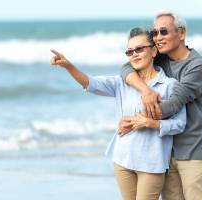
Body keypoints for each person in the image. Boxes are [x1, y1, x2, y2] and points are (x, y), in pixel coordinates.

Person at [50, 27, 186, 200]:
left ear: (153, 51)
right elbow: (91, 83)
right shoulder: (122, 82)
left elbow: (180, 124)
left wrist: (150, 123)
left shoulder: (169, 85)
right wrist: (68, 66)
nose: (134, 55)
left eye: (139, 49)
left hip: (151, 163)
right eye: (129, 52)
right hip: (123, 159)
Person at [120, 12, 202, 200]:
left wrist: (135, 120)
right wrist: (146, 91)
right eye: (155, 33)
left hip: (194, 152)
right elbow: (126, 68)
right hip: (165, 153)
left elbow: (173, 105)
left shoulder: (197, 66)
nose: (158, 38)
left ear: (181, 33)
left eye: (163, 31)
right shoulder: (160, 59)